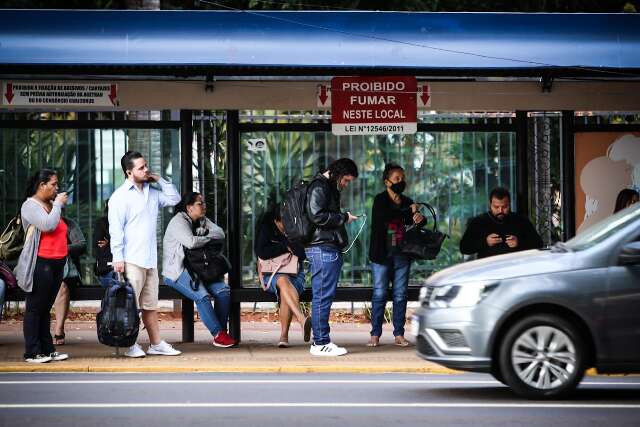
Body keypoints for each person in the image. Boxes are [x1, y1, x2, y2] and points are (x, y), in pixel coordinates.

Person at [109, 150, 182, 358]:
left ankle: (156, 343)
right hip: (130, 260)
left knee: (150, 305)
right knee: (130, 306)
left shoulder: (152, 192)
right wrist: (118, 259)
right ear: (129, 172)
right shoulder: (120, 197)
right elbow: (116, 231)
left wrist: (158, 178)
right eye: (141, 168)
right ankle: (130, 344)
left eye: (145, 165)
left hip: (150, 259)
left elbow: (174, 198)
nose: (146, 169)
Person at [162, 192, 236, 348]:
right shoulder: (178, 222)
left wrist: (205, 234)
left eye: (203, 203)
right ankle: (218, 334)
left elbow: (220, 233)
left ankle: (220, 333)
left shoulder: (202, 220)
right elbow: (191, 242)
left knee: (224, 291)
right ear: (189, 207)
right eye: (199, 203)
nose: (204, 206)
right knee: (202, 296)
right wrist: (208, 238)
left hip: (201, 269)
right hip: (178, 271)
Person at [14, 169, 70, 363]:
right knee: (35, 308)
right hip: (41, 262)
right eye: (53, 184)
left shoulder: (51, 204)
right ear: (41, 185)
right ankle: (32, 351)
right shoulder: (30, 205)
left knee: (46, 308)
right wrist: (58, 206)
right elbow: (48, 225)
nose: (56, 188)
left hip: (57, 262)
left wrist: (56, 205)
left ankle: (47, 349)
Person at [305, 158, 359, 356]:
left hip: (326, 248)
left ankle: (320, 340)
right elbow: (316, 215)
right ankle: (320, 343)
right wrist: (343, 217)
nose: (345, 184)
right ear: (337, 173)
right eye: (345, 180)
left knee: (323, 295)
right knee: (322, 296)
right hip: (322, 248)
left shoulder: (327, 187)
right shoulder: (320, 187)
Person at [368, 163, 425, 348]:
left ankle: (399, 334)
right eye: (397, 179)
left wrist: (420, 219)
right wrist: (409, 212)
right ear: (387, 182)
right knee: (379, 294)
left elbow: (415, 223)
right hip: (381, 255)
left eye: (403, 179)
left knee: (400, 295)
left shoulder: (408, 201)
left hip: (402, 254)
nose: (401, 182)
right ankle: (375, 334)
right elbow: (386, 216)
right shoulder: (380, 200)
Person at [255, 205, 311, 348]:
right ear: (276, 221)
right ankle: (301, 319)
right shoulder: (266, 228)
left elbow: (303, 253)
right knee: (282, 280)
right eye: (283, 223)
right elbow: (262, 252)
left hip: (295, 274)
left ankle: (284, 336)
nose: (287, 226)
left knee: (285, 288)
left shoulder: (294, 228)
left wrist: (289, 240)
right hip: (272, 274)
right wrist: (284, 246)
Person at [460, 187, 543, 259]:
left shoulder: (521, 220)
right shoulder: (479, 222)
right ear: (490, 204)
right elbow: (464, 248)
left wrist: (519, 243)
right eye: (496, 207)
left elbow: (539, 244)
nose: (500, 210)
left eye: (504, 207)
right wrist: (485, 242)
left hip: (516, 267)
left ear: (509, 204)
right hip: (489, 269)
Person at [52, 215, 87, 345]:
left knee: (61, 286)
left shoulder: (69, 223)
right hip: (42, 269)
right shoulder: (37, 223)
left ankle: (59, 329)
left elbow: (82, 245)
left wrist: (63, 248)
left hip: (66, 272)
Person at [94, 200, 115, 287]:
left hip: (116, 267)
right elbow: (99, 243)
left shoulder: (127, 223)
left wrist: (109, 242)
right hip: (108, 267)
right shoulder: (103, 222)